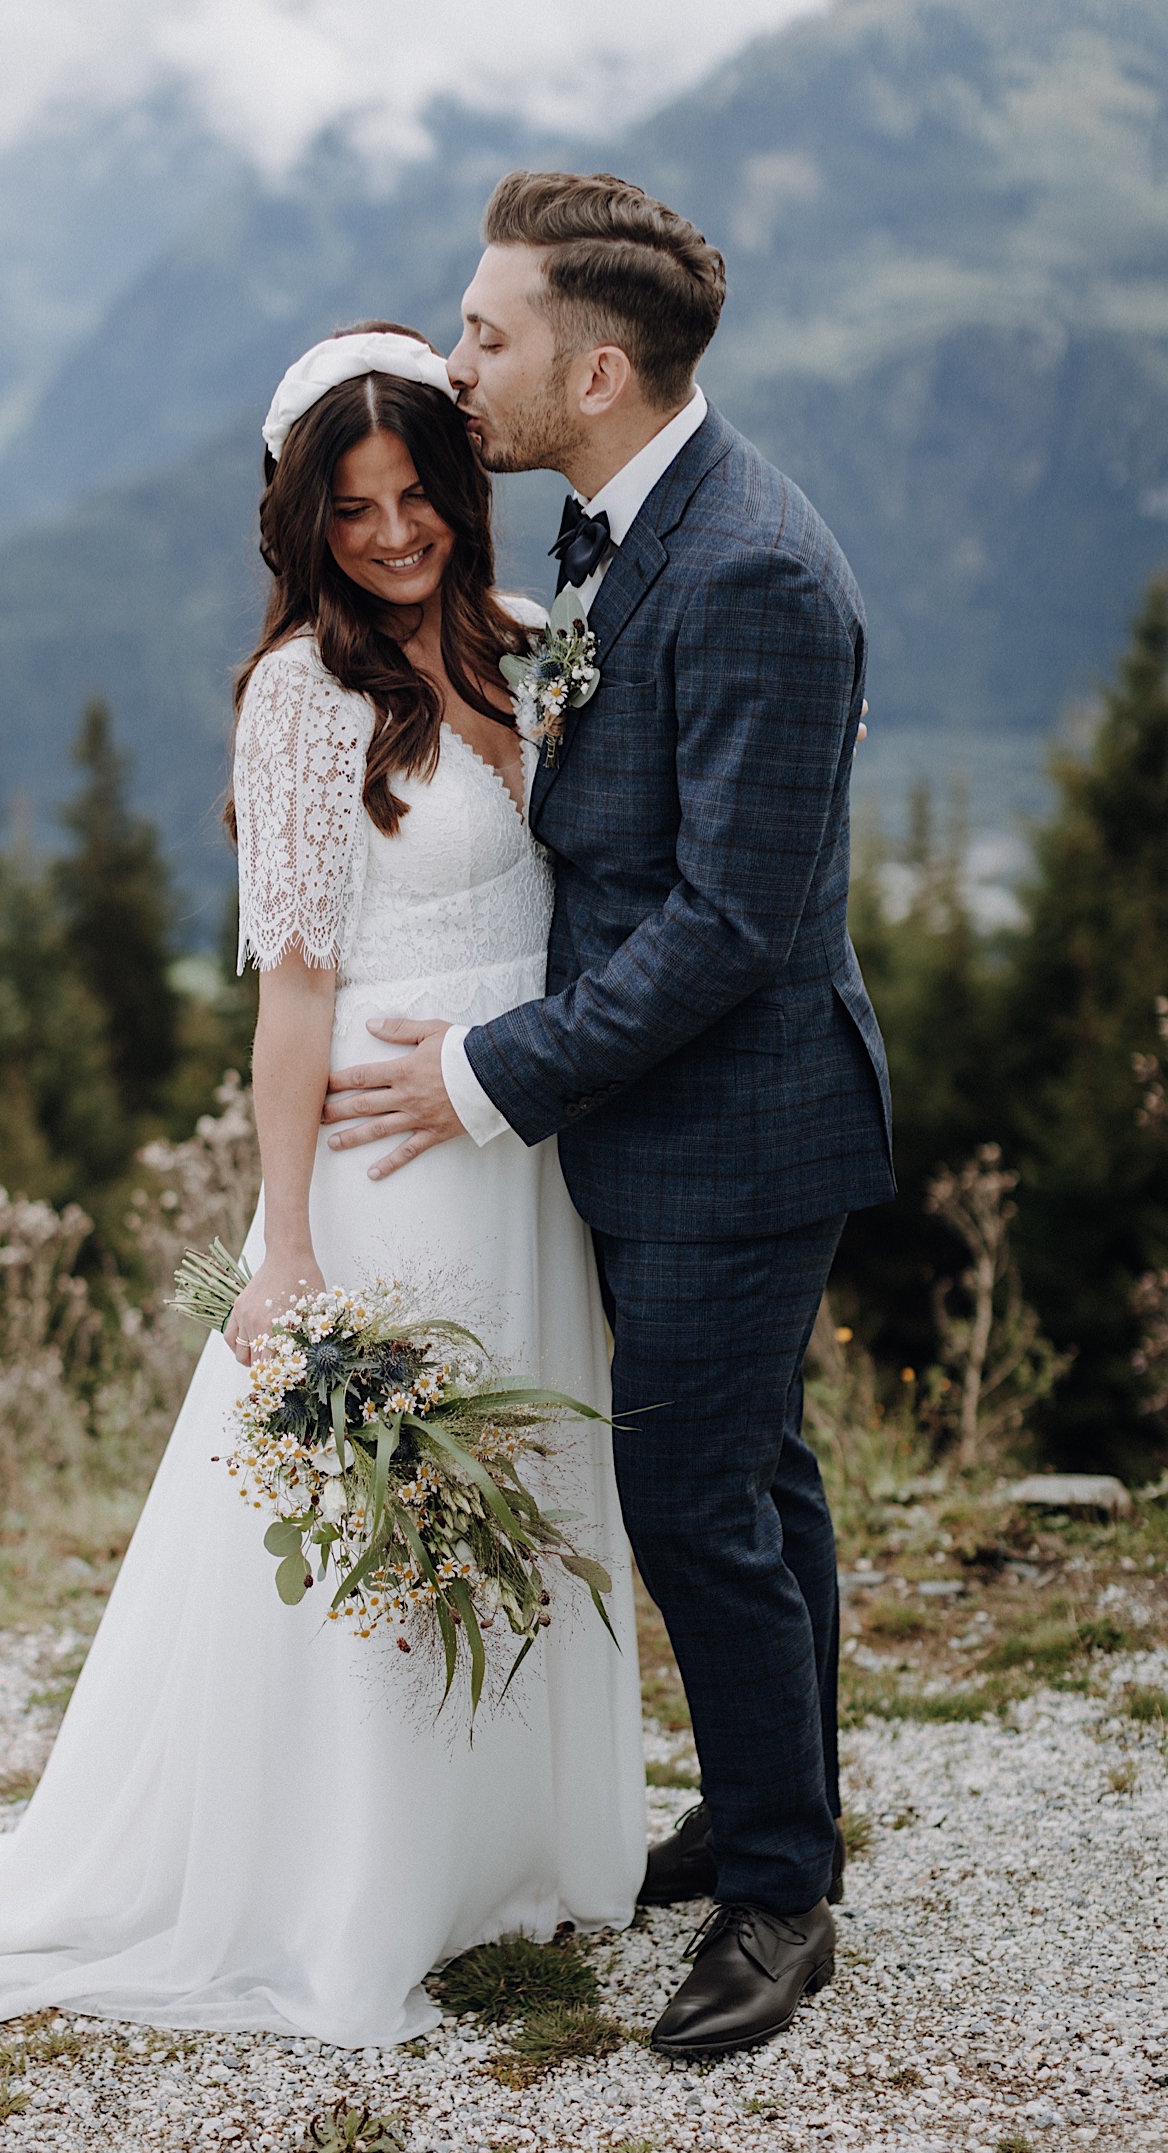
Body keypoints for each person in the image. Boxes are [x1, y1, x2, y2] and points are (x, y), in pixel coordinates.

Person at [0, 323, 645, 2049]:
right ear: (302, 524)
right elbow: (290, 986)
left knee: (539, 1460)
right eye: (351, 510)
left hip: (530, 1135)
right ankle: (366, 1876)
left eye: (418, 492)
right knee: (393, 1515)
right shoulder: (303, 698)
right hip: (386, 1155)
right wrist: (278, 1248)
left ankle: (520, 1846)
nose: (395, 533)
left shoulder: (532, 647)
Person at [322, 174, 896, 2058]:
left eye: (483, 336)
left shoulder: (752, 571)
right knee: (760, 1478)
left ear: (596, 366)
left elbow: (734, 925)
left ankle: (780, 1898)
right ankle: (767, 1807)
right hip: (664, 1127)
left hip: (740, 1128)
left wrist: (490, 1073)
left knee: (689, 1497)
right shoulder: (611, 524)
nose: (453, 355)